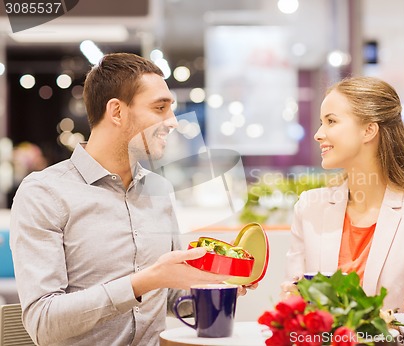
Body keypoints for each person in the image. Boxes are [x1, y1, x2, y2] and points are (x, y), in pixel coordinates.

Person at [9, 53, 240, 345]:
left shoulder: (159, 189)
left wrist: (219, 286)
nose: (173, 122)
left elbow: (170, 298)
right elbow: (43, 323)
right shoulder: (44, 194)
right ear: (117, 112)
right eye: (160, 108)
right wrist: (147, 280)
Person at [281, 76, 404, 345]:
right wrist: (294, 301)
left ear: (369, 130)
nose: (318, 133)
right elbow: (293, 299)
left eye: (331, 121)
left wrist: (367, 327)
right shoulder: (309, 207)